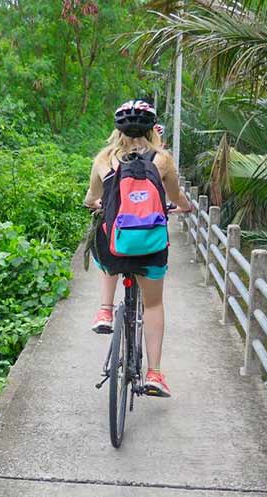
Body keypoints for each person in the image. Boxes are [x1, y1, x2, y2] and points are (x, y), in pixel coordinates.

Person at [83, 99, 191, 397]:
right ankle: (154, 373)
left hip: (116, 247)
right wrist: (186, 208)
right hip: (151, 245)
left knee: (104, 241)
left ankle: (105, 311)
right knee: (153, 304)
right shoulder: (163, 160)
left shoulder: (103, 159)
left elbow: (91, 197)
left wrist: (97, 204)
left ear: (117, 129)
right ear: (150, 128)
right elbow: (176, 196)